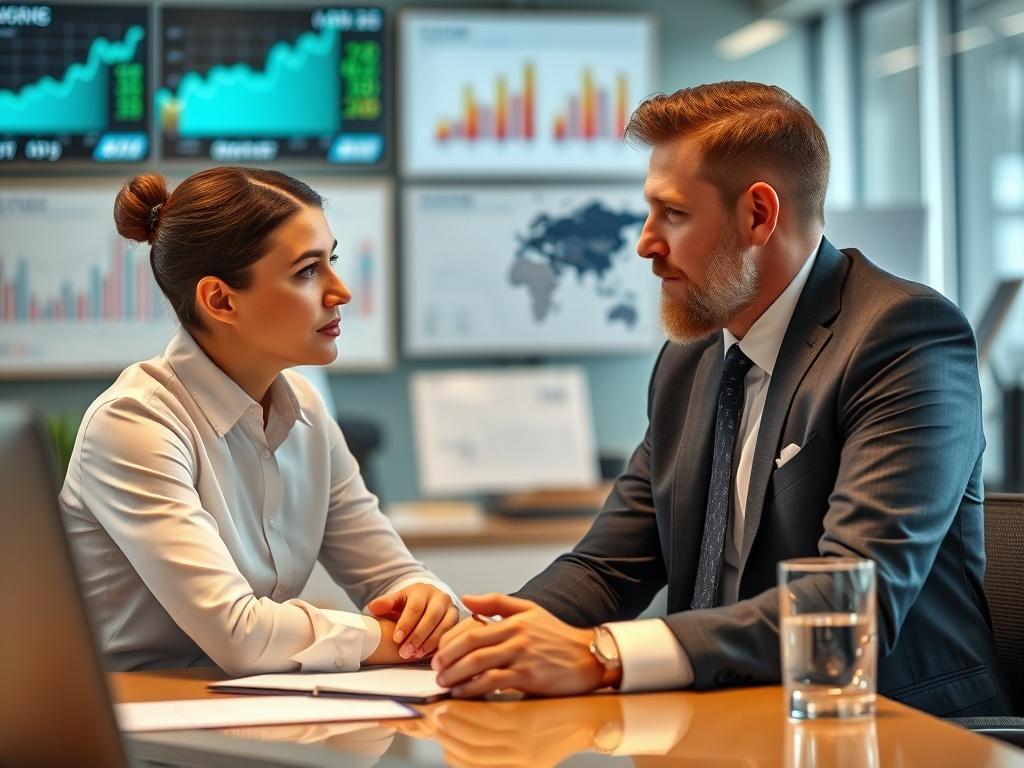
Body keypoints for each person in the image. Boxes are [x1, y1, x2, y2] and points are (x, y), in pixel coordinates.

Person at [432, 81, 1012, 717]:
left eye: (673, 214)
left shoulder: (902, 338)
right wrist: (486, 641)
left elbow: (850, 602)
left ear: (759, 215)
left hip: (887, 727)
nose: (645, 243)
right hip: (722, 720)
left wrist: (603, 655)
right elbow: (608, 567)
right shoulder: (694, 356)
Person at [60, 167, 458, 676]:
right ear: (221, 300)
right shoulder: (134, 423)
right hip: (135, 729)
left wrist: (428, 605)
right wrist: (386, 636)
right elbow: (241, 637)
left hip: (255, 715)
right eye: (307, 271)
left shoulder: (307, 412)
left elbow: (396, 576)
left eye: (330, 260)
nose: (340, 292)